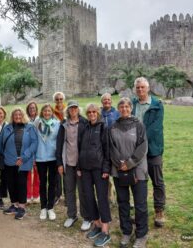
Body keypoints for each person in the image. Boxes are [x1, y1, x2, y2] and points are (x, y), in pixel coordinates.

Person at [110, 97, 148, 248]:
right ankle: (126, 232)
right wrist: (121, 163)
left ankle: (141, 235)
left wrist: (130, 163)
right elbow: (111, 148)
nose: (124, 109)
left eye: (127, 106)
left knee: (140, 204)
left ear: (131, 108)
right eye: (121, 106)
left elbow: (143, 146)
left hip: (138, 170)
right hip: (119, 170)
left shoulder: (139, 125)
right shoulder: (113, 127)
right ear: (118, 109)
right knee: (123, 203)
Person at [0, 108, 38, 220]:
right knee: (11, 183)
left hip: (24, 161)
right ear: (12, 116)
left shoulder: (30, 127)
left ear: (23, 115)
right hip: (9, 161)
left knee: (21, 183)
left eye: (19, 114)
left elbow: (34, 143)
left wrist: (24, 157)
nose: (17, 116)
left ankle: (22, 207)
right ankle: (14, 205)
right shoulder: (6, 128)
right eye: (15, 114)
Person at [132, 77, 166, 228]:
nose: (140, 90)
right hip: (136, 151)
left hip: (153, 149)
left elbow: (155, 128)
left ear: (148, 88)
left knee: (157, 181)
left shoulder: (157, 105)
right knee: (139, 181)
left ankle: (159, 211)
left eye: (142, 87)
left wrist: (138, 141)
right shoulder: (132, 104)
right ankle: (141, 212)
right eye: (137, 88)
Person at [78, 104, 111, 247]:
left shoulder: (103, 127)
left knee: (102, 197)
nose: (91, 114)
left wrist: (106, 168)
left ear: (98, 113)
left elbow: (107, 149)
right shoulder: (85, 128)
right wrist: (79, 166)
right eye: (89, 112)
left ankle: (105, 231)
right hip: (85, 169)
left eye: (94, 112)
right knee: (88, 197)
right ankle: (96, 224)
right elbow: (80, 148)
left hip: (99, 169)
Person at [56, 100, 91, 231]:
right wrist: (59, 163)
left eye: (75, 108)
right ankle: (71, 215)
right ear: (68, 110)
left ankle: (86, 217)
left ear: (78, 109)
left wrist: (83, 164)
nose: (73, 110)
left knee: (83, 191)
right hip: (68, 164)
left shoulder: (84, 123)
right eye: (71, 108)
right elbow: (59, 145)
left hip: (81, 164)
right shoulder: (63, 124)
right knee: (69, 190)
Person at [34, 103, 60, 221]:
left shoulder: (57, 124)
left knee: (52, 183)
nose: (47, 113)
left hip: (53, 157)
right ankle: (43, 207)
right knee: (42, 183)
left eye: (49, 111)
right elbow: (34, 140)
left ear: (52, 112)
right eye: (45, 111)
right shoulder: (37, 123)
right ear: (42, 112)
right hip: (40, 157)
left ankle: (50, 208)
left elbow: (59, 141)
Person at [52, 91, 66, 204]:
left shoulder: (68, 110)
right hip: (55, 142)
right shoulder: (52, 112)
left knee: (66, 170)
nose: (59, 101)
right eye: (57, 99)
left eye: (61, 99)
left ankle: (68, 195)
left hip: (66, 142)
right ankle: (57, 194)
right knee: (57, 169)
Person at [26, 101, 40, 203]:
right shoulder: (25, 119)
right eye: (30, 108)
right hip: (27, 148)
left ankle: (36, 195)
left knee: (37, 172)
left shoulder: (40, 119)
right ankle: (28, 195)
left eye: (34, 108)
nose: (32, 110)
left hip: (38, 149)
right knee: (27, 172)